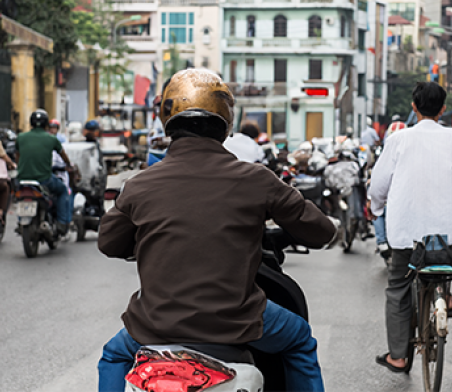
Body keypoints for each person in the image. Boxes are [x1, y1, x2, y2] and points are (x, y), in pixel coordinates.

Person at [97, 69, 337, 392]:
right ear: (226, 125)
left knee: (113, 356)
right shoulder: (257, 178)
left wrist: (143, 241)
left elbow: (109, 242)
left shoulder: (139, 185)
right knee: (300, 342)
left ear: (168, 122)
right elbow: (321, 231)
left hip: (154, 325)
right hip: (240, 322)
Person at [369, 82, 452, 372]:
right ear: (443, 110)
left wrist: (376, 207)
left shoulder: (399, 139)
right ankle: (446, 295)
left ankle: (398, 356)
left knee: (398, 288)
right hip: (447, 235)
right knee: (445, 256)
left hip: (407, 233)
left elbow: (378, 185)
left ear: (414, 107)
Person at [16, 109, 75, 236]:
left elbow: (17, 156)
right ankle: (62, 222)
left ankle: (21, 221)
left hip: (22, 179)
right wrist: (69, 165)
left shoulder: (21, 137)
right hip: (44, 179)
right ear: (46, 125)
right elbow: (63, 156)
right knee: (63, 190)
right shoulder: (51, 139)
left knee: (20, 197)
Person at [371, 120, 407, 260]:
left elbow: (379, 178)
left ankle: (381, 241)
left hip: (394, 194)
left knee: (378, 210)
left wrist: (373, 202)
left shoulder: (385, 150)